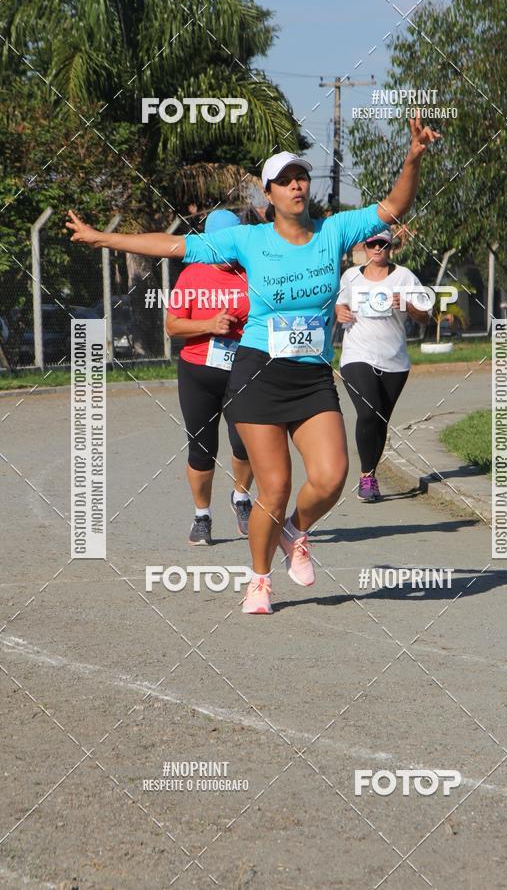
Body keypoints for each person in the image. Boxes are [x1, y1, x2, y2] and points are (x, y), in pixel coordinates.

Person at [66, 113, 440, 615]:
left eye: (301, 176)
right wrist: (101, 238)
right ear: (268, 194)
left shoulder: (335, 231)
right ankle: (259, 579)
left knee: (332, 476)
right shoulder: (248, 240)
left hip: (311, 375)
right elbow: (173, 245)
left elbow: (394, 206)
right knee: (276, 486)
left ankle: (295, 533)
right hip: (258, 372)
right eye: (284, 180)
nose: (296, 185)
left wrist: (413, 156)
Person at [166, 209, 253, 545]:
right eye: (220, 243)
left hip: (245, 369)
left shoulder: (253, 274)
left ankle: (241, 499)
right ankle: (202, 516)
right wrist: (208, 325)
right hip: (198, 372)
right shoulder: (192, 275)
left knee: (246, 443)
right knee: (201, 451)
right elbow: (172, 326)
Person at [335, 228, 431, 502]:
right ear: (364, 248)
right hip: (357, 355)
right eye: (372, 244)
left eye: (383, 245)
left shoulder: (405, 277)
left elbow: (425, 317)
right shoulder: (350, 276)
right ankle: (366, 477)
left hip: (394, 361)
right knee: (368, 413)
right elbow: (339, 306)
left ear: (391, 248)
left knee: (379, 420)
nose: (377, 249)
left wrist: (409, 307)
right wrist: (338, 311)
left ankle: (371, 473)